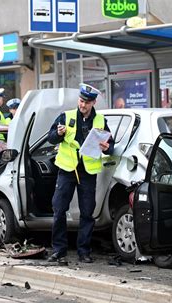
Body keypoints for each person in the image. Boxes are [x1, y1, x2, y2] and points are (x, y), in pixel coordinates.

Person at [47, 83, 115, 264]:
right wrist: (58, 134)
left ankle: (84, 251)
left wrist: (108, 148)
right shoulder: (66, 116)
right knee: (59, 210)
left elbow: (110, 146)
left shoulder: (100, 120)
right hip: (67, 170)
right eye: (80, 100)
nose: (82, 105)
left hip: (87, 172)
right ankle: (59, 250)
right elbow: (51, 137)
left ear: (93, 102)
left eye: (86, 102)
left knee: (87, 213)